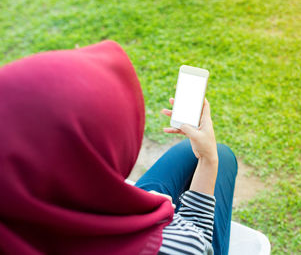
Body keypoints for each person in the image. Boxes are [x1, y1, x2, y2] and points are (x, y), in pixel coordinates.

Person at [0, 40, 238, 255]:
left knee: (186, 154)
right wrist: (209, 159)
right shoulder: (175, 246)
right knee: (221, 157)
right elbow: (197, 240)